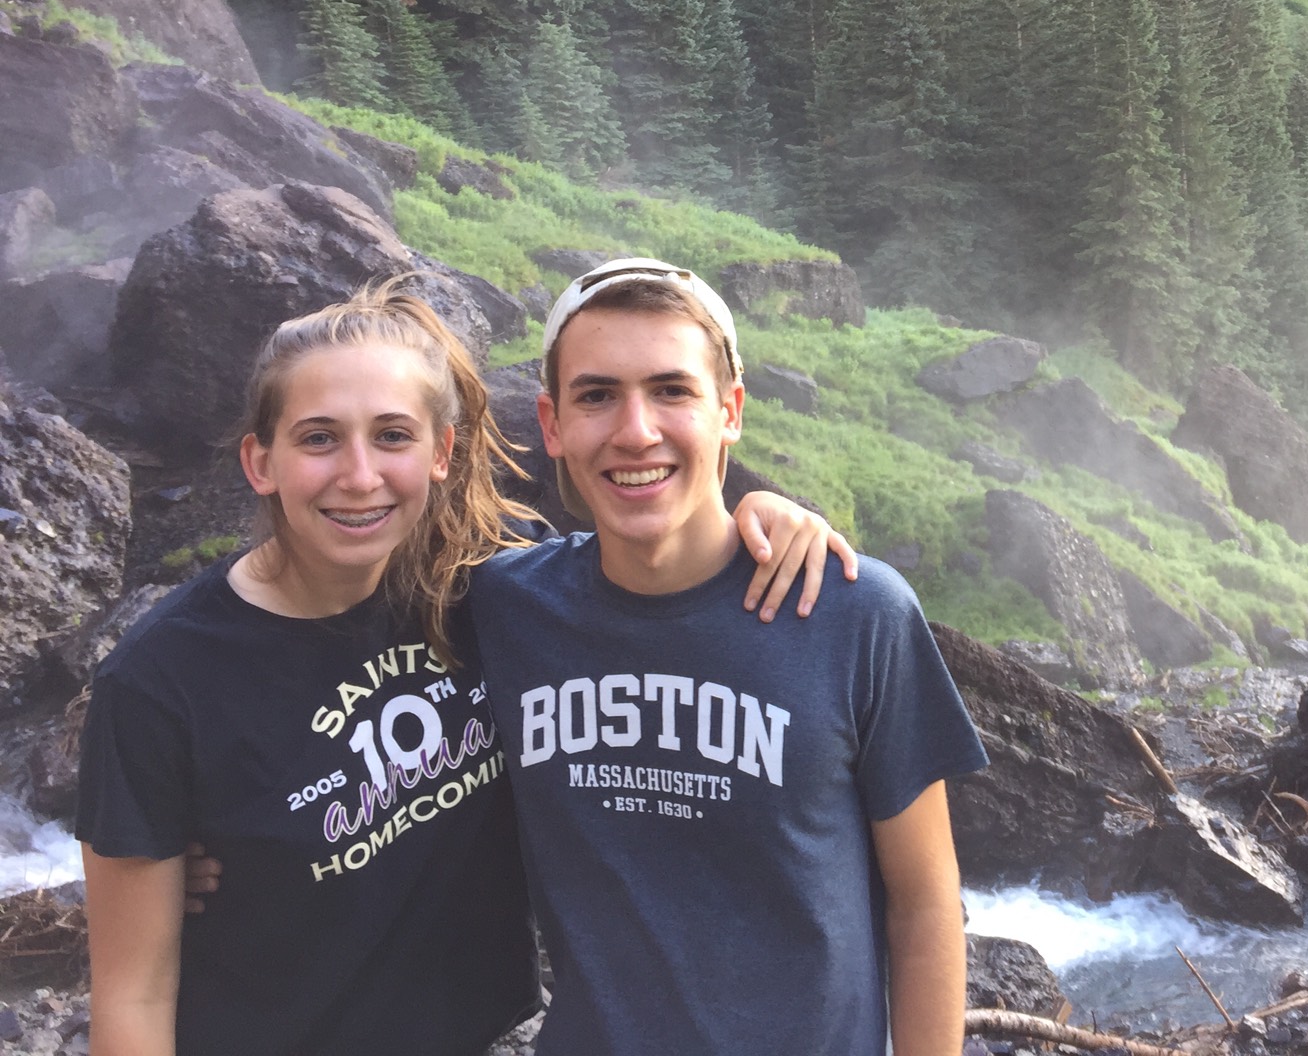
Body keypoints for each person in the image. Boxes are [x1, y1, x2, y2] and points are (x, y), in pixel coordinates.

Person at [75, 278, 851, 1056]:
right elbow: (133, 994)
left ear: (441, 453)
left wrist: (761, 522)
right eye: (318, 439)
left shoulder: (494, 590)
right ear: (260, 461)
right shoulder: (163, 680)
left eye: (392, 436)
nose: (359, 475)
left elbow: (646, 581)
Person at [466, 258, 988, 1055]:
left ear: (730, 410)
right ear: (552, 424)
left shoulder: (854, 613)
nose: (635, 430)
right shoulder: (505, 607)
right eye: (597, 395)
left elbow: (924, 905)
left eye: (671, 390)